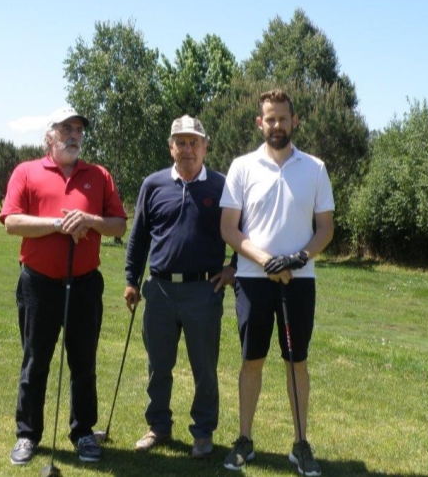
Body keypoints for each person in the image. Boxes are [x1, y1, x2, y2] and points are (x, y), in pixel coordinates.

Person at [0, 106, 127, 466]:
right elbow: (12, 222)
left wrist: (89, 219)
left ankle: (83, 432)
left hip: (85, 285)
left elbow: (118, 224)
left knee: (83, 363)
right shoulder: (27, 172)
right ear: (49, 136)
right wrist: (58, 225)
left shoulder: (99, 175)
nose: (74, 135)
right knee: (35, 361)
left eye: (78, 130)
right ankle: (27, 434)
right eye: (66, 128)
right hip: (38, 286)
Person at [219, 90, 334, 476]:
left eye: (283, 118)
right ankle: (245, 440)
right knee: (252, 360)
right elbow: (229, 229)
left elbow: (326, 229)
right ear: (260, 123)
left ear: (295, 121)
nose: (277, 125)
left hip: (299, 282)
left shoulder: (315, 168)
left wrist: (298, 258)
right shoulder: (241, 167)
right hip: (253, 280)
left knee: (296, 362)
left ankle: (300, 444)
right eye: (270, 119)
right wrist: (268, 261)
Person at [124, 115, 236, 459]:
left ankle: (203, 432)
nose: (188, 149)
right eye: (181, 142)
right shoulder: (153, 184)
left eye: (194, 142)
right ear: (171, 147)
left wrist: (234, 267)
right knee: (158, 365)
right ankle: (158, 426)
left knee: (204, 367)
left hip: (204, 291)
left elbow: (245, 231)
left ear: (205, 146)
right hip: (158, 290)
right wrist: (131, 280)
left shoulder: (222, 186)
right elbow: (139, 236)